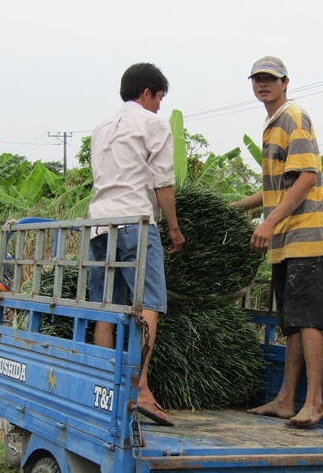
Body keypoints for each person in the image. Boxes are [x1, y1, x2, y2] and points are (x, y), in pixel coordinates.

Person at [232, 56, 323, 428]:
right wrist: (241, 206)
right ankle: (286, 400)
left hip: (306, 236)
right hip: (287, 241)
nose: (263, 85)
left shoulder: (294, 117)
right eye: (257, 79)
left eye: (270, 79)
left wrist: (270, 221)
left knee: (307, 321)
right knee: (291, 321)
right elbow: (278, 186)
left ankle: (315, 402)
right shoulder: (271, 124)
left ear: (285, 82)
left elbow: (307, 175)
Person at [87, 62, 185, 427]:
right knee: (149, 305)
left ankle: (103, 385)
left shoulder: (101, 127)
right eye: (160, 98)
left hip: (98, 225)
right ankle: (141, 389)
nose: (160, 106)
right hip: (135, 224)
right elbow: (163, 183)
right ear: (147, 93)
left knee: (106, 306)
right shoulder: (153, 123)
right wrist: (174, 228)